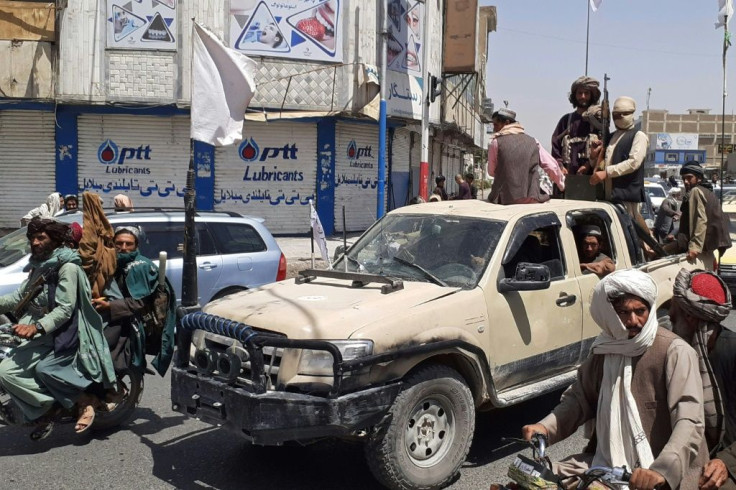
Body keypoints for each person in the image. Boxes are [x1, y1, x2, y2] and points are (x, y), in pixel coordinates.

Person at [522, 269, 708, 490]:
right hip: (609, 463)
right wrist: (544, 427)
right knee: (534, 480)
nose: (633, 321)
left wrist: (662, 470)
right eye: (623, 312)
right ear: (609, 314)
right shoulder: (603, 351)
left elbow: (689, 421)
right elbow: (579, 400)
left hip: (662, 470)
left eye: (641, 311)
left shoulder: (675, 351)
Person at [0, 218, 115, 439]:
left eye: (40, 237)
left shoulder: (68, 267)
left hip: (59, 333)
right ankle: (44, 406)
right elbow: (19, 296)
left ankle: (57, 406)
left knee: (6, 371)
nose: (34, 242)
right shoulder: (41, 265)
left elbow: (65, 309)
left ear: (56, 239)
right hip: (36, 329)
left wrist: (36, 327)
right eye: (32, 238)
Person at [669, 269, 736, 489]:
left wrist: (727, 461)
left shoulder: (731, 351)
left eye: (675, 308)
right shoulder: (676, 352)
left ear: (689, 317)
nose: (669, 314)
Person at [92, 226, 175, 378]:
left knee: (102, 350)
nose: (123, 248)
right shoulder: (114, 262)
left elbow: (140, 302)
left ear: (136, 246)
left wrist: (110, 306)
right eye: (119, 243)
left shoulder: (140, 267)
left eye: (128, 244)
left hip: (134, 320)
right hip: (117, 314)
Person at [589, 97, 648, 229]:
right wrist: (594, 156)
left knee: (630, 234)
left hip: (625, 198)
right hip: (608, 197)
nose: (620, 117)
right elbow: (599, 166)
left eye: (624, 114)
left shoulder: (639, 136)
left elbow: (634, 163)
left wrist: (607, 172)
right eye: (616, 115)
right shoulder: (611, 137)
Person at [487, 108, 565, 204]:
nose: (494, 129)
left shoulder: (495, 143)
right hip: (531, 199)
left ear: (506, 123)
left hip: (503, 200)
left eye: (496, 125)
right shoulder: (533, 142)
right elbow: (551, 166)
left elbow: (491, 172)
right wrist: (562, 186)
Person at [663, 162, 731, 268]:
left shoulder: (696, 191)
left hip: (696, 254)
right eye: (684, 178)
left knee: (656, 253)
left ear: (699, 178)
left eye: (689, 178)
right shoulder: (708, 192)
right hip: (707, 254)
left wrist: (695, 247)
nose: (686, 181)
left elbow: (700, 219)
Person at [551, 76, 604, 176]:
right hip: (568, 177)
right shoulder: (566, 120)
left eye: (586, 93)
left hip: (591, 178)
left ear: (592, 96)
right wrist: (560, 167)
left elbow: (604, 147)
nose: (583, 96)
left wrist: (588, 165)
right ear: (574, 95)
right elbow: (555, 145)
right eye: (579, 93)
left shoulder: (598, 121)